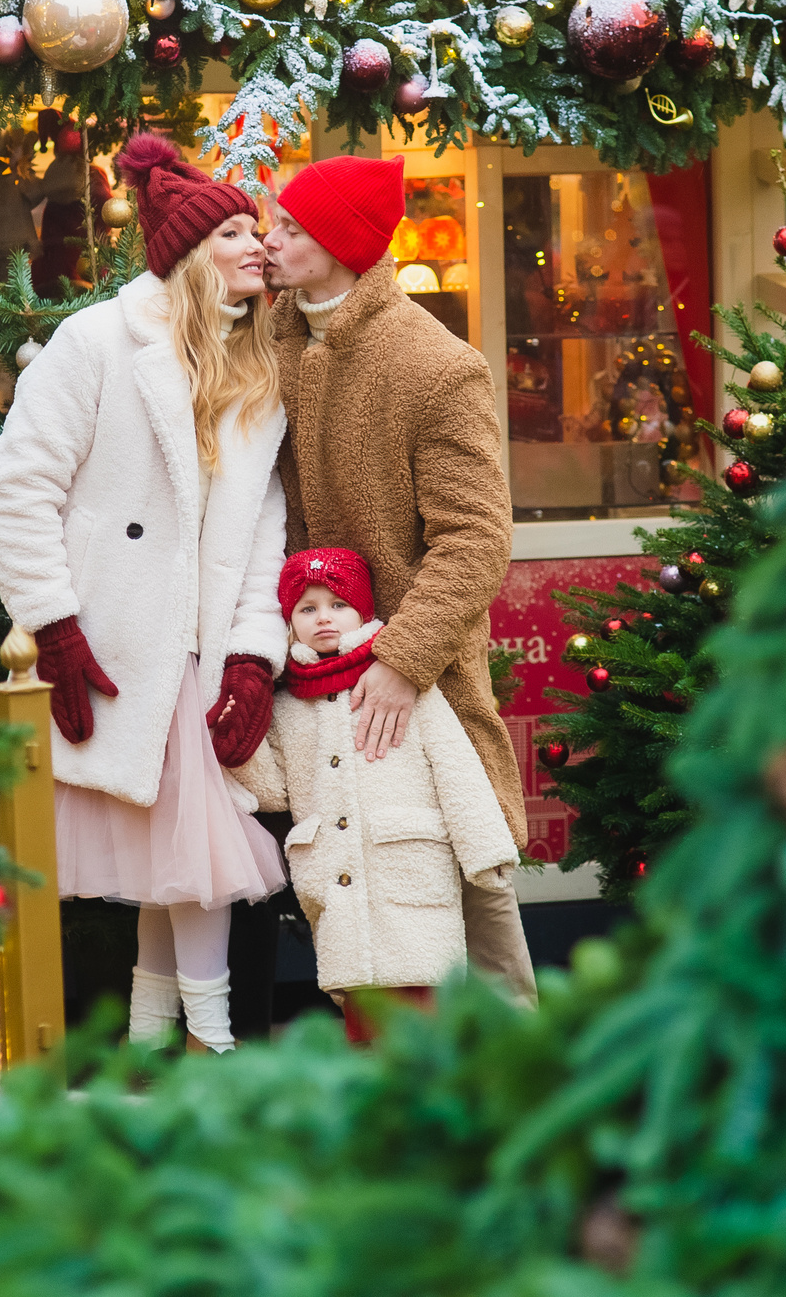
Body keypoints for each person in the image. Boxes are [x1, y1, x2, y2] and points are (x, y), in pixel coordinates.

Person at [0, 132, 288, 1053]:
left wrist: (250, 652)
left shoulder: (255, 369)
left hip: (196, 648)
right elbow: (20, 484)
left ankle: (163, 1038)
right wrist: (55, 626)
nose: (258, 245)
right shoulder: (97, 342)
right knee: (188, 856)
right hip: (117, 640)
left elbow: (262, 526)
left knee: (183, 858)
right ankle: (211, 1044)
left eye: (258, 229)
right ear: (192, 254)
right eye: (237, 230)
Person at [261, 156, 538, 1005]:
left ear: (341, 246)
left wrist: (402, 659)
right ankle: (384, 1087)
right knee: (352, 900)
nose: (270, 241)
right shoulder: (273, 335)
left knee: (468, 876)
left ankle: (523, 1088)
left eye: (292, 230)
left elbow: (476, 538)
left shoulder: (435, 364)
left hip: (416, 684)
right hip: (314, 675)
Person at [238, 549, 517, 1042]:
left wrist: (486, 851)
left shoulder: (404, 687)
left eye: (337, 604)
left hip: (410, 871)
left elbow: (456, 769)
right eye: (307, 608)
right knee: (363, 1014)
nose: (323, 616)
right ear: (290, 623)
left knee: (424, 1011)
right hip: (336, 885)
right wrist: (242, 726)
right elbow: (272, 791)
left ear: (363, 612)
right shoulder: (287, 707)